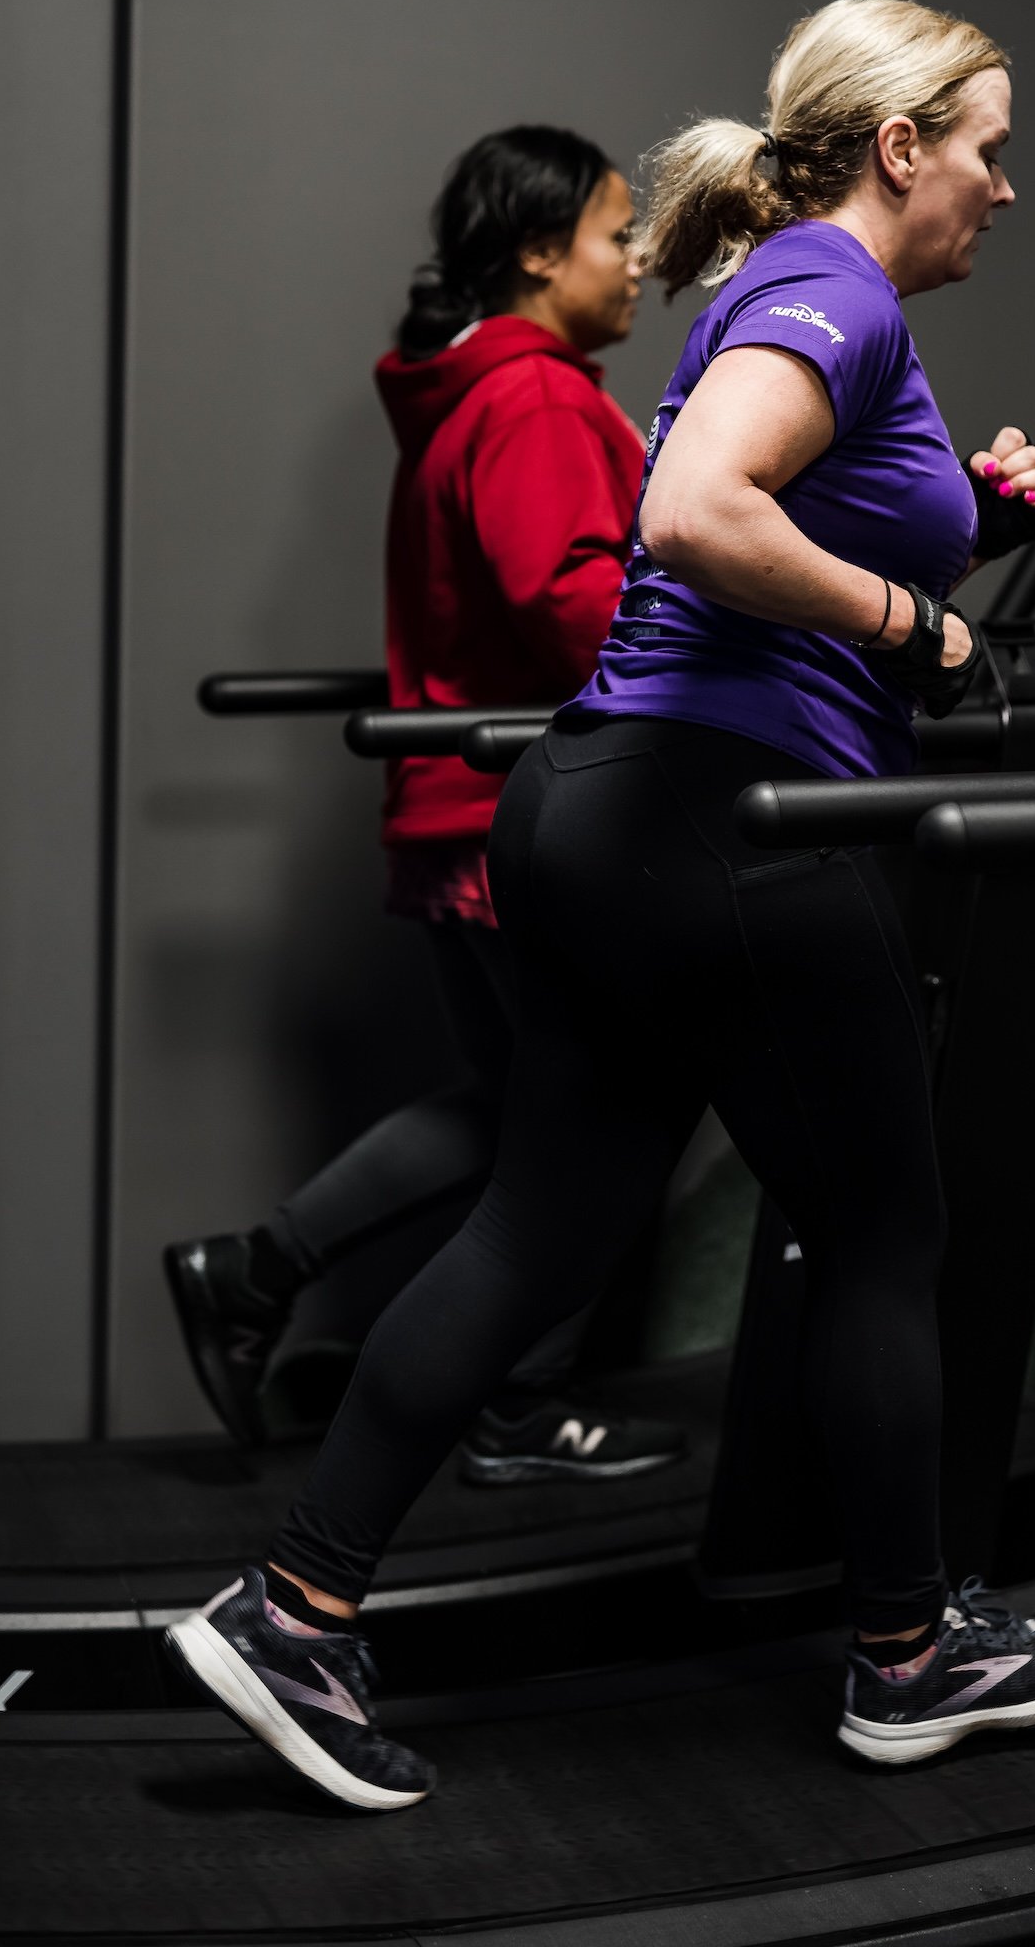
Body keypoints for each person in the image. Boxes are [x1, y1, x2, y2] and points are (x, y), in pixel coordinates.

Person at [165, 0, 1035, 1811]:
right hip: (726, 821)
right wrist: (925, 624)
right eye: (988, 145)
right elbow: (690, 514)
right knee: (881, 1232)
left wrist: (960, 522)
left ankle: (295, 1605)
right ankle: (913, 1652)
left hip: (605, 807)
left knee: (546, 1218)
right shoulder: (837, 291)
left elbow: (764, 512)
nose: (1006, 183)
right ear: (901, 145)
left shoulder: (800, 296)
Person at [164, 126, 684, 1484]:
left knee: (517, 1108)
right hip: (531, 825)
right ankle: (514, 1398)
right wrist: (748, 653)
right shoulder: (538, 401)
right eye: (616, 234)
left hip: (462, 817)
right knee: (606, 1120)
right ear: (534, 252)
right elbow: (574, 608)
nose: (637, 263)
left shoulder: (478, 393)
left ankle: (252, 1272)